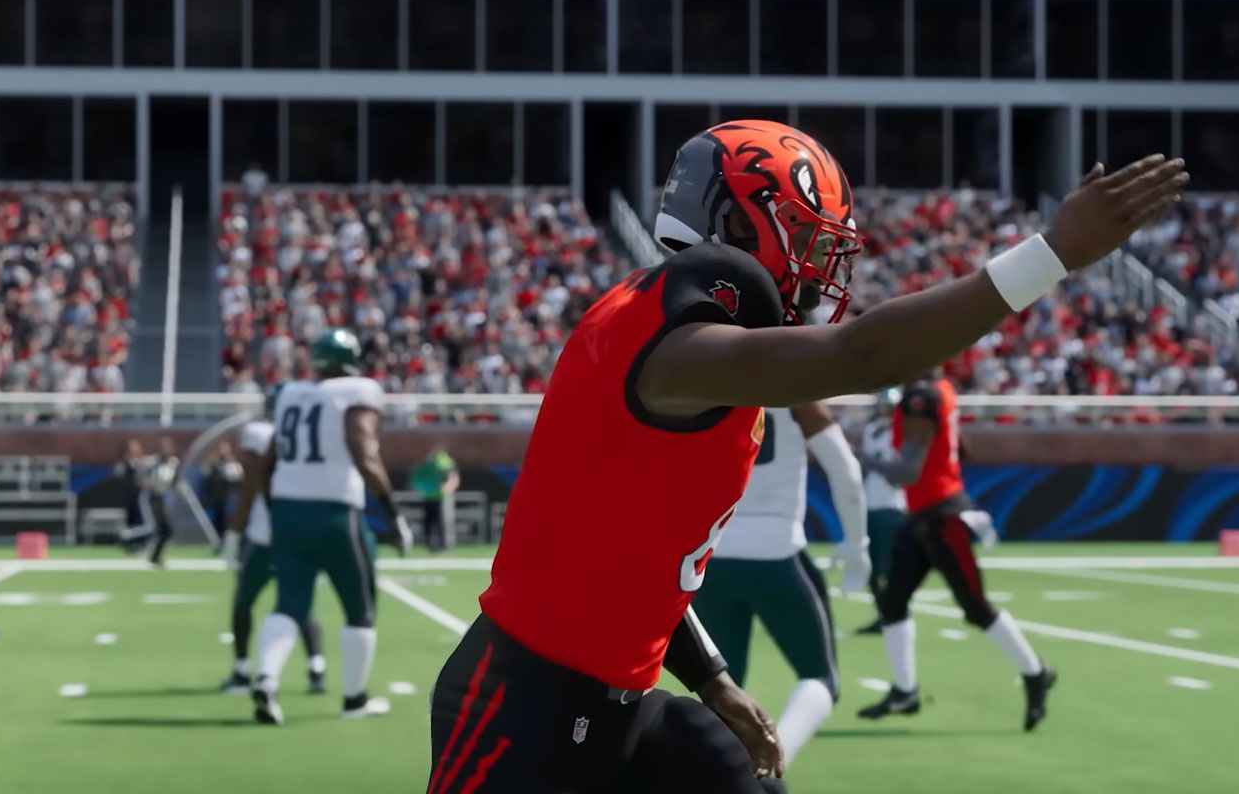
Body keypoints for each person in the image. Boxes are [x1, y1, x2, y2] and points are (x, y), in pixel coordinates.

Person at [428, 119, 1185, 794]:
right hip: (519, 705)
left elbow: (637, 569)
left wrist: (715, 680)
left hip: (619, 704)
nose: (826, 265)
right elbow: (863, 354)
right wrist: (1050, 254)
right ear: (738, 223)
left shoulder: (691, 349)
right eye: (810, 238)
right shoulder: (672, 346)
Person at [855, 375, 1056, 731]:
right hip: (921, 515)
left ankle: (1036, 672)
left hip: (941, 518)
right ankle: (905, 691)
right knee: (892, 602)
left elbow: (908, 473)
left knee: (976, 607)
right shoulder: (941, 389)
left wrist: (866, 461)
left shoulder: (919, 398)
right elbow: (959, 448)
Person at [250, 329, 414, 724]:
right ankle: (355, 700)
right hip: (335, 511)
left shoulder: (290, 393)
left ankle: (267, 680)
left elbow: (269, 461)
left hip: (288, 510)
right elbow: (362, 451)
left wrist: (276, 507)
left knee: (289, 603)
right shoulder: (357, 391)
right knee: (360, 609)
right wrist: (393, 513)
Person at [691, 400, 868, 766]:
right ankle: (773, 764)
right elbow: (846, 470)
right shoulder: (795, 384)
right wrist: (857, 545)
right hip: (777, 554)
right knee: (820, 678)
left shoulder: (708, 374)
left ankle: (715, 777)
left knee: (722, 688)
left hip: (713, 554)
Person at [219, 415, 326, 695]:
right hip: (297, 532)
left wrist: (233, 534)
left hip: (264, 536)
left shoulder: (259, 434)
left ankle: (243, 670)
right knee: (299, 604)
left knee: (243, 601)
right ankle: (317, 670)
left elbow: (252, 483)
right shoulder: (304, 432)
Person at [855, 387, 909, 636]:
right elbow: (863, 470)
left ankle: (895, 616)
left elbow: (900, 475)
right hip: (871, 505)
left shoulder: (903, 433)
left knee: (889, 569)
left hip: (892, 506)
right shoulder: (871, 431)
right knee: (872, 570)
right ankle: (882, 614)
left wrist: (871, 463)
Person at [411, 446, 461, 552]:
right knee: (430, 521)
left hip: (441, 497)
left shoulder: (445, 463)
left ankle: (444, 544)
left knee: (442, 521)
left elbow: (453, 478)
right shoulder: (430, 462)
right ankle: (431, 543)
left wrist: (447, 488)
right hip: (430, 495)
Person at [143, 438, 180, 568]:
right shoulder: (153, 462)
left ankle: (154, 556)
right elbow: (140, 479)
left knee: (165, 530)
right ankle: (153, 555)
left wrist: (179, 487)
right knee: (163, 528)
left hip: (166, 498)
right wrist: (151, 485)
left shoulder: (173, 463)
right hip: (153, 497)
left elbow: (175, 481)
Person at [204, 442, 243, 541]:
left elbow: (238, 476)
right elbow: (206, 474)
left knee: (229, 520)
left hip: (230, 497)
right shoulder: (215, 463)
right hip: (217, 498)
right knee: (218, 521)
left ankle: (230, 540)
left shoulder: (232, 463)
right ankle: (219, 540)